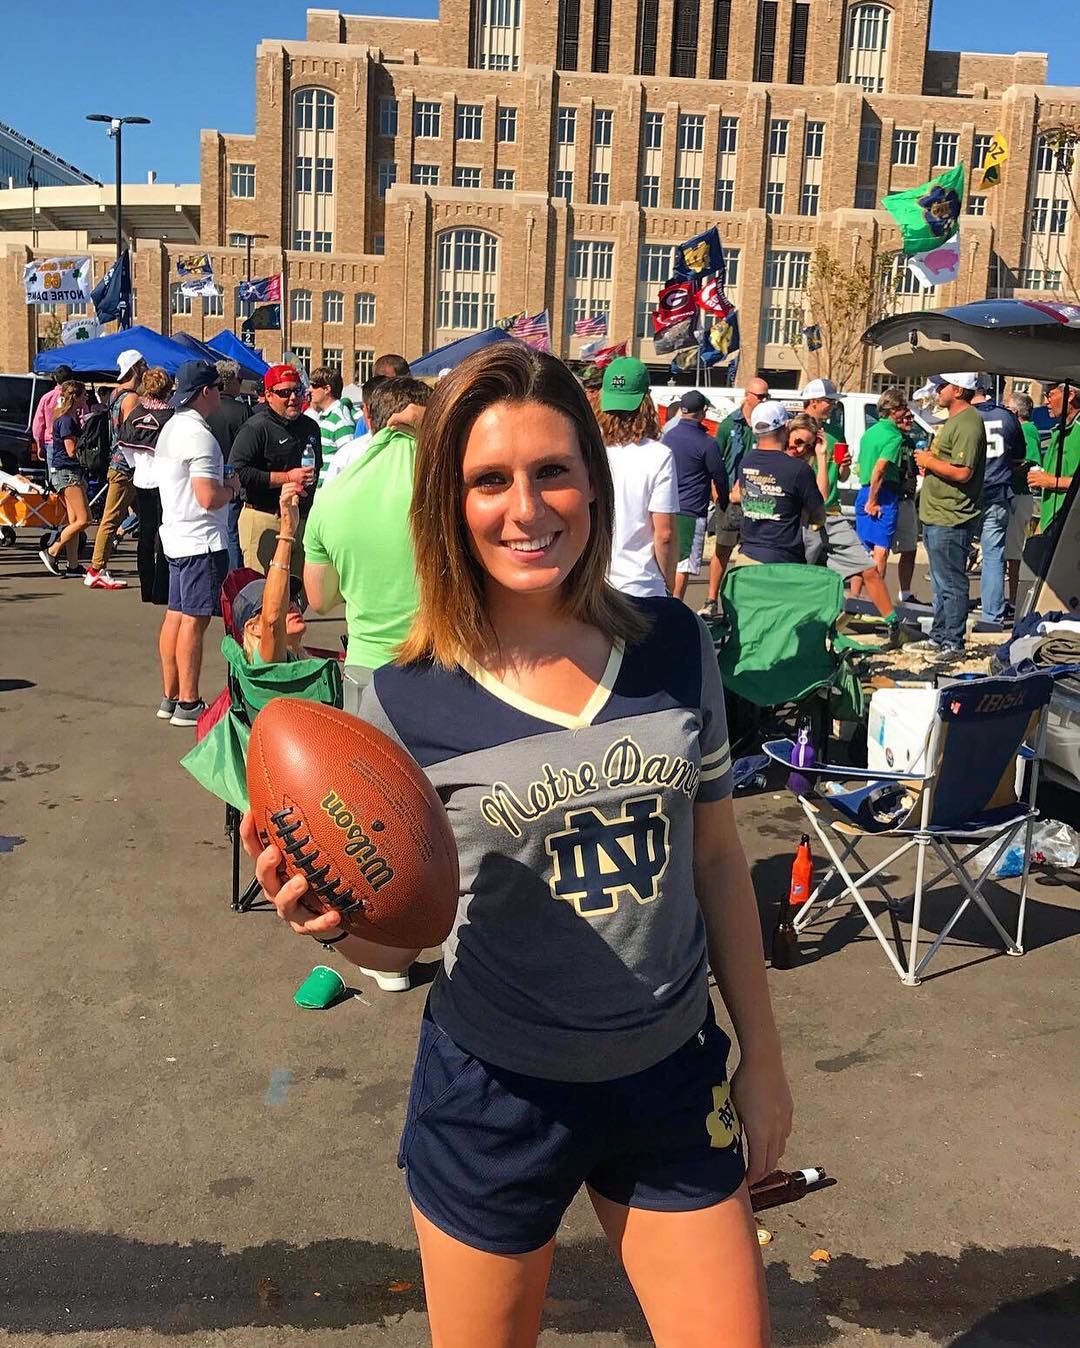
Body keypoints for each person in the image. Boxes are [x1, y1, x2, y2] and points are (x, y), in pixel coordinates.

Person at [243, 341, 792, 1345]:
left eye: (552, 472)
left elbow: (717, 858)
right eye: (489, 480)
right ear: (449, 504)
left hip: (669, 1072)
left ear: (593, 479)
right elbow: (404, 937)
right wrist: (328, 922)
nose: (526, 508)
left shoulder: (673, 643)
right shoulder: (408, 697)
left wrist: (763, 1053)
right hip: (496, 1092)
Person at [303, 376, 433, 710]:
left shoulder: (332, 496)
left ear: (368, 419)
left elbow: (319, 599)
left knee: (368, 762)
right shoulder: (456, 484)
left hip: (368, 668)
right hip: (443, 667)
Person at [154, 360, 238, 725]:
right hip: (199, 539)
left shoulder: (172, 428)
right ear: (206, 391)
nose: (221, 392)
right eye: (217, 387)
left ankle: (171, 696)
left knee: (176, 615)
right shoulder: (199, 435)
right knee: (194, 620)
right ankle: (188, 701)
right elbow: (207, 496)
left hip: (176, 535)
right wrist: (232, 489)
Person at [912, 374, 987, 660]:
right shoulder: (955, 420)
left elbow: (963, 472)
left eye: (942, 386)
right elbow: (951, 465)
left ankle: (953, 643)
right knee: (940, 582)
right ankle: (940, 636)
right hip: (937, 514)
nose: (937, 391)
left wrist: (930, 461)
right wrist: (932, 464)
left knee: (952, 582)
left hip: (951, 516)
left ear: (957, 390)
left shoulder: (968, 422)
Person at [591, 357, 678, 598]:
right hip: (642, 586)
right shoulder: (659, 455)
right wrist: (668, 584)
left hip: (595, 584)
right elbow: (664, 534)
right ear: (646, 401)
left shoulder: (588, 450)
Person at [230, 364, 321, 577]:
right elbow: (238, 471)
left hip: (300, 520)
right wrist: (287, 477)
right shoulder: (256, 428)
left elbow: (317, 467)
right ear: (269, 396)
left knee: (295, 597)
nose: (293, 398)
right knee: (263, 596)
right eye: (284, 392)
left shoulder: (310, 426)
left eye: (297, 391)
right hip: (264, 518)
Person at [699, 374, 770, 618]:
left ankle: (746, 605)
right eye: (759, 396)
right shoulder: (731, 425)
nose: (764, 400)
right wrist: (717, 492)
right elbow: (715, 460)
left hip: (759, 499)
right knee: (723, 548)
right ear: (747, 396)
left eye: (766, 396)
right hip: (730, 499)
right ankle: (711, 599)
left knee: (752, 553)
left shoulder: (766, 426)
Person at [733, 400, 824, 564]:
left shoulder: (746, 462)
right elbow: (818, 514)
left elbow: (740, 495)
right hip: (783, 559)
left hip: (746, 555)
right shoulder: (799, 469)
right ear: (787, 425)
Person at [85, 349, 146, 590]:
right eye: (142, 364)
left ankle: (99, 567)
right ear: (135, 368)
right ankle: (96, 567)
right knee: (111, 517)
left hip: (118, 462)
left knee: (134, 514)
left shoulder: (115, 394)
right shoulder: (130, 398)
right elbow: (134, 432)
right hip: (125, 465)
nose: (146, 368)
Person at [971, 376, 1027, 626]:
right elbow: (1019, 455)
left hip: (970, 491)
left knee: (957, 554)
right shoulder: (1007, 417)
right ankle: (992, 615)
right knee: (994, 555)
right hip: (998, 489)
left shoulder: (965, 416)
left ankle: (952, 613)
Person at [663, 390, 728, 602]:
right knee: (683, 564)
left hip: (665, 507)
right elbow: (719, 475)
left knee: (665, 558)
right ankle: (675, 605)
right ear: (703, 411)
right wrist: (723, 502)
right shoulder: (706, 443)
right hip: (691, 510)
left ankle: (663, 601)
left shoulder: (668, 437)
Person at [234, 482, 309, 664]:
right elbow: (273, 621)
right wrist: (287, 531)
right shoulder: (269, 660)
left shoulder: (294, 658)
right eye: (281, 603)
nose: (290, 605)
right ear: (254, 627)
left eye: (290, 598)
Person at [121, 368, 175, 606]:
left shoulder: (135, 414)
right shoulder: (172, 417)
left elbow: (125, 446)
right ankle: (161, 590)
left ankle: (146, 589)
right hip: (165, 482)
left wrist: (138, 465)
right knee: (164, 534)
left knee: (145, 534)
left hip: (141, 480)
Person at [38, 380, 91, 577]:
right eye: (84, 395)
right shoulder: (67, 421)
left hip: (64, 471)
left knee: (74, 520)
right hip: (67, 472)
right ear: (75, 397)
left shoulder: (63, 417)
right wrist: (88, 452)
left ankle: (73, 564)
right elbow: (71, 451)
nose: (86, 398)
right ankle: (52, 550)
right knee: (85, 519)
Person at [206, 359, 251, 572]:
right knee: (232, 532)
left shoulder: (205, 410)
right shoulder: (243, 412)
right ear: (230, 381)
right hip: (232, 476)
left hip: (206, 475)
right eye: (239, 379)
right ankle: (232, 579)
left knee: (210, 529)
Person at [1002, 390, 1043, 611]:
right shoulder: (1026, 429)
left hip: (1019, 494)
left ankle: (1013, 598)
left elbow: (1030, 462)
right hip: (1015, 494)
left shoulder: (1026, 430)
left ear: (1014, 411)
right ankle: (1008, 597)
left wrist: (1005, 466)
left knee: (1013, 549)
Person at [1028, 380, 1079, 535]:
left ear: (1070, 395)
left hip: (1071, 529)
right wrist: (1041, 526)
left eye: (1049, 394)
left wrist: (1050, 481)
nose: (1046, 402)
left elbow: (1051, 480)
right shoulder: (1058, 431)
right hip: (1051, 525)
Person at [319, 373, 385, 485]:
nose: (310, 390)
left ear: (366, 411)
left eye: (314, 386)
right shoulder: (350, 451)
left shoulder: (341, 422)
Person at [307, 365, 356, 486]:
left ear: (327, 389)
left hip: (329, 491)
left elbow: (349, 461)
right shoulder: (326, 416)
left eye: (314, 385)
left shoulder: (340, 419)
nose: (310, 390)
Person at [30, 363, 74, 463]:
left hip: (51, 442)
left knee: (53, 475)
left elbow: (38, 424)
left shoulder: (46, 398)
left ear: (55, 378)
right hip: (71, 442)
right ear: (71, 378)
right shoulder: (75, 397)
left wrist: (39, 444)